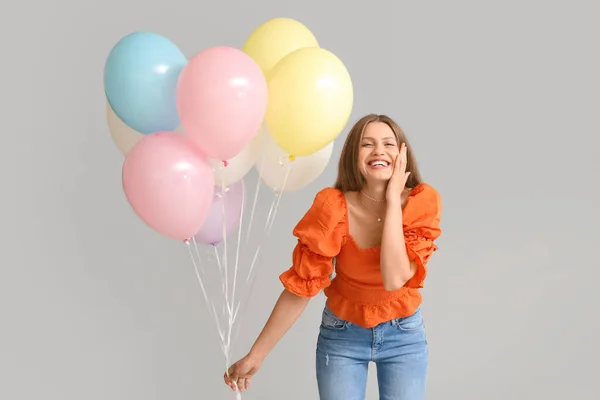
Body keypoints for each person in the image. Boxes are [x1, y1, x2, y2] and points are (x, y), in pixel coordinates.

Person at [223, 114, 442, 400]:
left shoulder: (421, 203)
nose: (378, 150)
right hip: (342, 334)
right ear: (354, 154)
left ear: (402, 154)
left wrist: (392, 202)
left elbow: (394, 278)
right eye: (367, 144)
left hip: (403, 333)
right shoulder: (332, 206)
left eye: (388, 143)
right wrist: (256, 355)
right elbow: (302, 287)